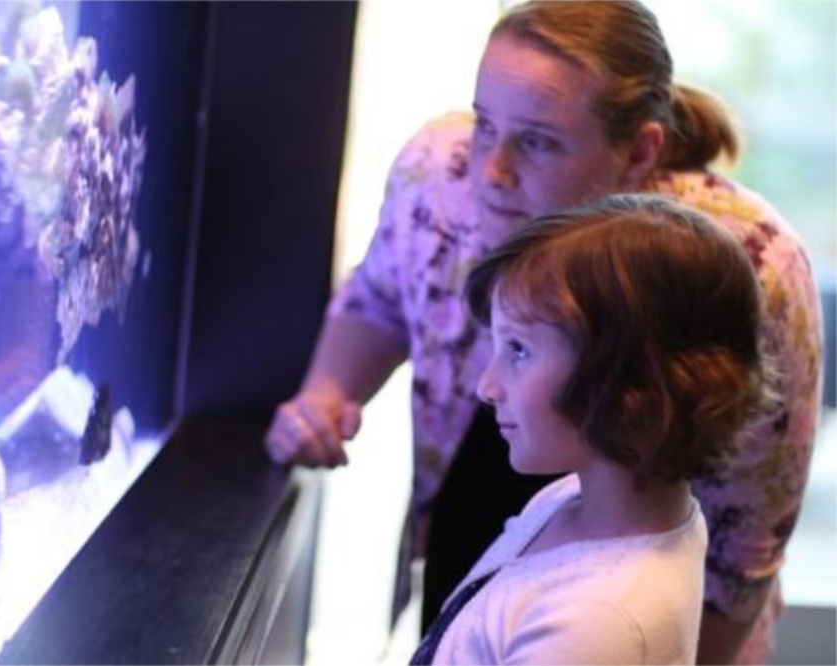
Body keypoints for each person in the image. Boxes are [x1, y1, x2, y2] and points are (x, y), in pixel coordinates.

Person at [263, 1, 823, 663]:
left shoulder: (744, 269)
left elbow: (739, 559)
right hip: (503, 509)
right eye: (483, 123)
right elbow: (382, 295)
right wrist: (326, 395)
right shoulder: (438, 171)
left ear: (640, 150)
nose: (491, 172)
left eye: (538, 141)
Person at [410, 193, 769, 665]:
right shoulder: (564, 500)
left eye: (518, 350)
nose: (487, 386)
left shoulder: (595, 624)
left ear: (634, 382)